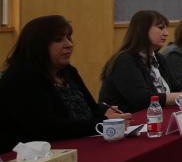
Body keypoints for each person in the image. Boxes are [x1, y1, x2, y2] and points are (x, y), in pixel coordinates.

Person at [0, 15, 134, 152]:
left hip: (79, 144)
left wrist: (108, 114)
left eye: (69, 38)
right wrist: (102, 123)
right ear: (38, 45)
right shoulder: (20, 78)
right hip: (34, 155)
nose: (69, 44)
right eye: (58, 40)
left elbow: (91, 107)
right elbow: (50, 128)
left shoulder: (68, 71)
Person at [100, 10, 182, 112]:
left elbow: (176, 87)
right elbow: (142, 99)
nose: (166, 33)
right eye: (160, 28)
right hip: (127, 121)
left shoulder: (159, 57)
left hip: (156, 115)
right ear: (142, 30)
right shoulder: (125, 60)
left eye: (165, 28)